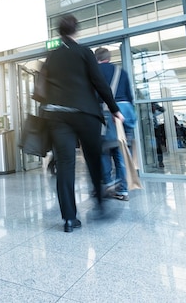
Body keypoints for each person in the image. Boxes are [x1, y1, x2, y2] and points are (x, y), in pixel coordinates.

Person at [40, 15, 123, 232]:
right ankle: (100, 206)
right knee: (93, 159)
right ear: (76, 31)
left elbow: (42, 90)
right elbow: (100, 83)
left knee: (65, 165)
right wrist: (114, 109)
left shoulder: (51, 57)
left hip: (57, 116)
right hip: (85, 113)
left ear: (59, 33)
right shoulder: (84, 52)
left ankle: (69, 218)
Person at [95, 47, 135, 201]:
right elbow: (130, 96)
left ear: (96, 58)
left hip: (108, 112)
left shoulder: (96, 71)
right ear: (109, 58)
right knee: (122, 150)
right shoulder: (121, 72)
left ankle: (109, 183)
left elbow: (96, 95)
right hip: (126, 113)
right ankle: (123, 189)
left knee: (103, 149)